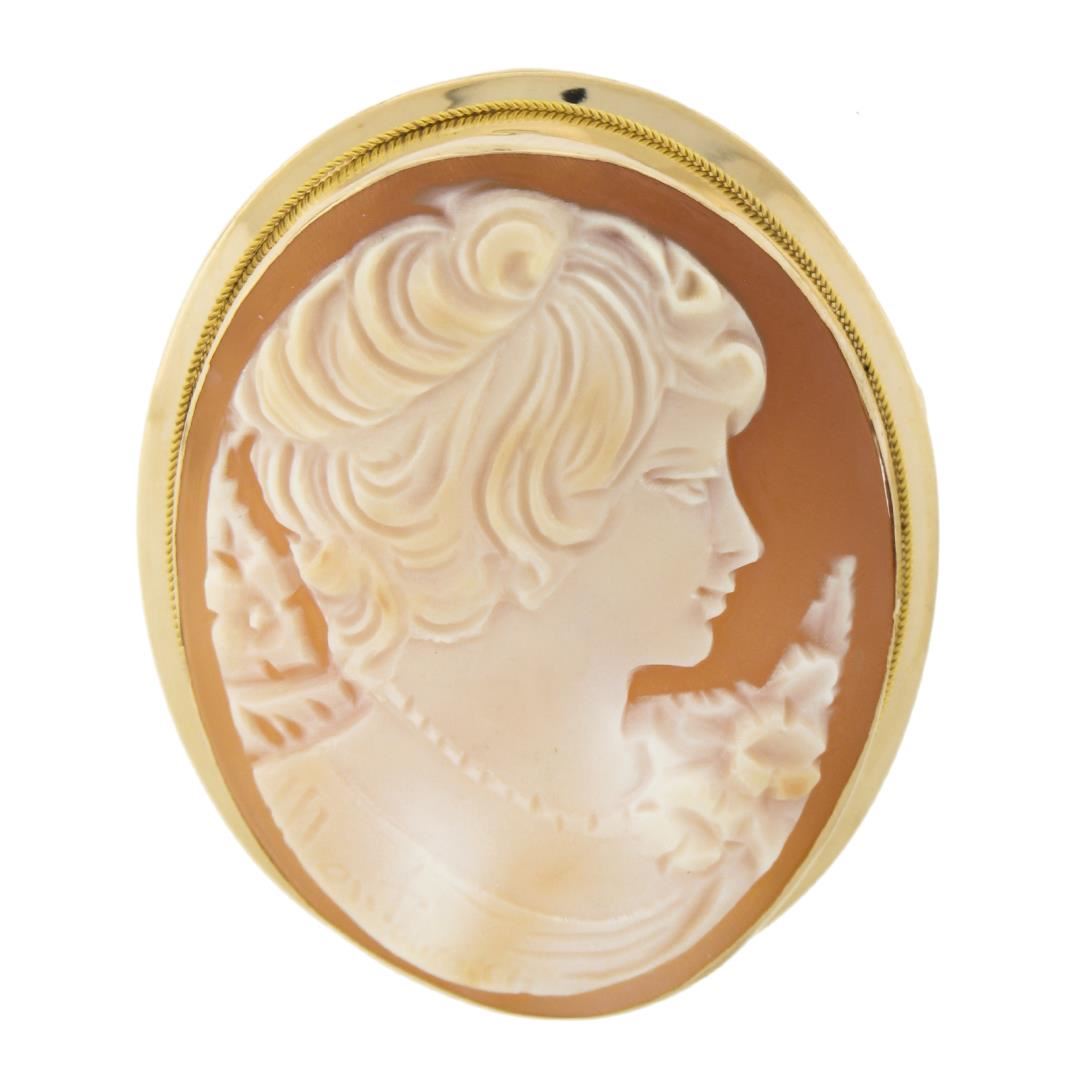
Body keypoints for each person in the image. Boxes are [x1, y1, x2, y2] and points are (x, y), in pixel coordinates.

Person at [205, 183, 855, 995]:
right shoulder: (312, 818)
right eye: (685, 484)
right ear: (503, 509)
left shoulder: (735, 804)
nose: (744, 540)